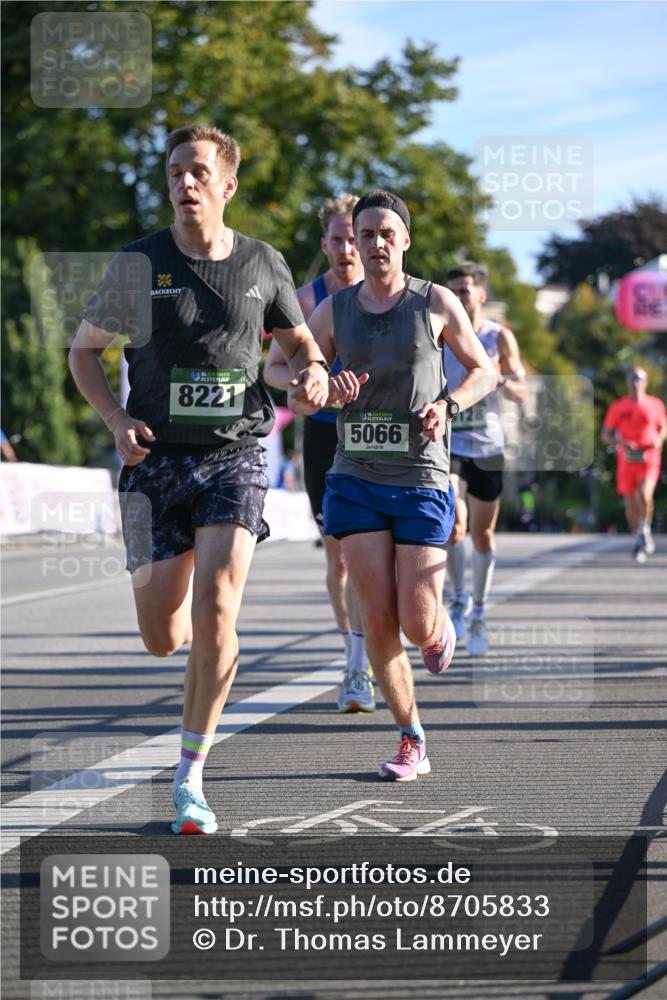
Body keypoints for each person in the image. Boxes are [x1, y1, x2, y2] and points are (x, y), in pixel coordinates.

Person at [68, 124, 359, 835]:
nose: (183, 182)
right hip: (152, 460)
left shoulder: (264, 264)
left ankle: (190, 777)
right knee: (162, 637)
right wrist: (113, 419)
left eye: (198, 171)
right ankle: (186, 648)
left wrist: (315, 377)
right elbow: (84, 354)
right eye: (174, 171)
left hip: (235, 453)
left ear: (227, 184)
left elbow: (298, 348)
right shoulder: (137, 264)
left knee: (218, 612)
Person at [306, 190, 496, 781]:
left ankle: (441, 627)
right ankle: (411, 737)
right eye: (366, 235)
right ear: (355, 243)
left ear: (405, 240)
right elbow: (282, 370)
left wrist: (449, 402)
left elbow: (483, 371)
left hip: (420, 477)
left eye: (387, 233)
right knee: (379, 618)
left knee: (416, 621)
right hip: (356, 475)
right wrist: (319, 383)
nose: (376, 243)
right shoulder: (335, 310)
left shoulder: (435, 302)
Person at [263, 194, 375, 713]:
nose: (347, 249)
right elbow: (271, 370)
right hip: (327, 436)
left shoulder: (390, 295)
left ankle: (373, 646)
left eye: (355, 238)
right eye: (337, 239)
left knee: (379, 553)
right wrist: (315, 380)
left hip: (379, 434)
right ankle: (356, 662)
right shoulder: (306, 301)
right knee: (342, 555)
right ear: (325, 243)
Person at [443, 263, 527, 656]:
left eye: (465, 290)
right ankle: (457, 598)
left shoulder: (499, 337)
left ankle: (478, 610)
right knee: (452, 525)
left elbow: (521, 392)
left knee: (483, 535)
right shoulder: (441, 333)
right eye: (453, 290)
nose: (458, 297)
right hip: (451, 444)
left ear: (480, 295)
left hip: (489, 447)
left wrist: (498, 378)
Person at [601, 366, 666, 562]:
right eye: (632, 378)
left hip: (649, 456)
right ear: (627, 382)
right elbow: (606, 434)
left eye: (639, 379)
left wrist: (658, 440)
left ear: (646, 382)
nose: (636, 382)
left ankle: (645, 528)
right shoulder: (618, 407)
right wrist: (619, 443)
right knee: (631, 505)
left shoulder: (655, 404)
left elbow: (663, 428)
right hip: (627, 458)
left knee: (645, 495)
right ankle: (639, 536)